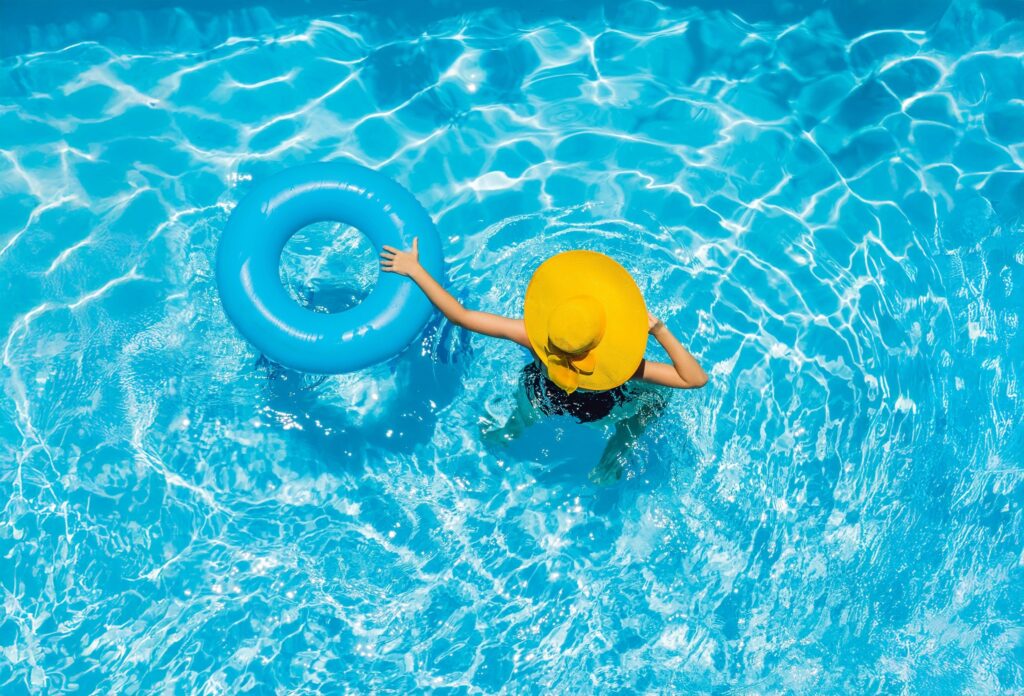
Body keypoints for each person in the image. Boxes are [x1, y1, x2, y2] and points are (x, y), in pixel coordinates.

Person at [380, 239, 708, 481]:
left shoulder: (533, 338)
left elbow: (461, 316)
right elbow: (694, 379)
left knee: (523, 413)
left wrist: (415, 270)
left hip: (542, 393)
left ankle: (507, 433)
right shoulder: (622, 366)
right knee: (657, 399)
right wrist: (660, 330)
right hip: (600, 407)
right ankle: (614, 454)